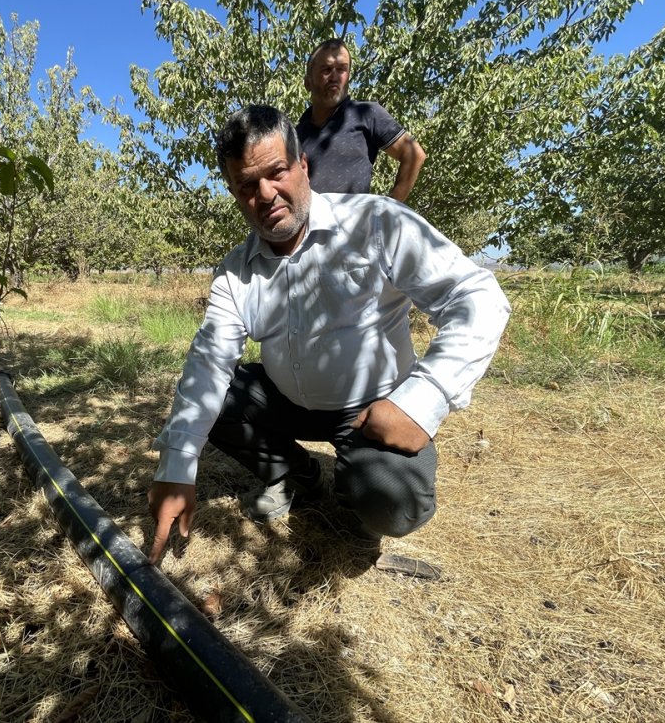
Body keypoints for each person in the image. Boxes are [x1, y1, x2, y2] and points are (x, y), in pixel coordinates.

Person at [146, 105, 509, 569]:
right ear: (235, 194)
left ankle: (361, 488)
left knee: (393, 501)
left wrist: (423, 399)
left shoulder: (376, 222)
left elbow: (477, 296)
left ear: (303, 165)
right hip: (288, 401)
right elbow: (209, 362)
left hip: (372, 410)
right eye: (247, 186)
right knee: (216, 401)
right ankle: (300, 477)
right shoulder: (236, 272)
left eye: (276, 172)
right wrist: (177, 466)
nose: (266, 194)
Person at [297, 38, 425, 201]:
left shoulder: (366, 114)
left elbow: (413, 154)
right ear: (308, 82)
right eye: (327, 69)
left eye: (342, 69)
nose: (334, 77)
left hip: (355, 218)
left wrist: (388, 208)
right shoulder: (294, 136)